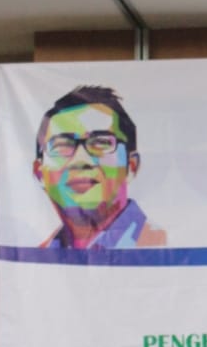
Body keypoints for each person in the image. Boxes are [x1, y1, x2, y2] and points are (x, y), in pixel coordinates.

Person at [33, 84, 167, 249]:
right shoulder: (38, 255)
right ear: (39, 173)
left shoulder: (162, 246)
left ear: (131, 166)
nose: (81, 160)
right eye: (61, 145)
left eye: (101, 142)